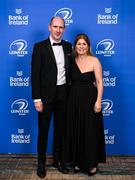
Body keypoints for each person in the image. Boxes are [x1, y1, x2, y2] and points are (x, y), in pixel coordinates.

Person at [31, 16, 72, 178]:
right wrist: (37, 98)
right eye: (55, 26)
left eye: (61, 27)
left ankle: (58, 160)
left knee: (60, 130)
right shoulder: (39, 47)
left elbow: (73, 70)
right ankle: (41, 164)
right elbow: (35, 75)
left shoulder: (68, 46)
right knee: (43, 131)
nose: (58, 30)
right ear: (49, 27)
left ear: (64, 29)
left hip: (64, 94)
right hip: (45, 97)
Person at [61, 33, 106, 176]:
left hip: (90, 100)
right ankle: (78, 162)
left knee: (90, 131)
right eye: (79, 44)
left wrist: (98, 101)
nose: (81, 46)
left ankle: (92, 163)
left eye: (84, 44)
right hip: (73, 100)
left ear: (88, 46)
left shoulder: (95, 61)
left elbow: (99, 82)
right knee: (76, 130)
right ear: (75, 46)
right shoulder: (71, 60)